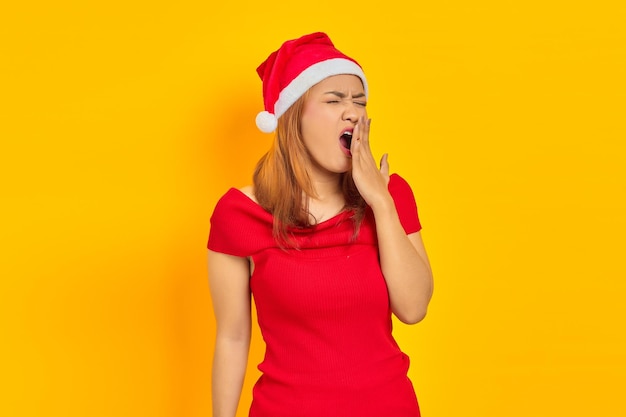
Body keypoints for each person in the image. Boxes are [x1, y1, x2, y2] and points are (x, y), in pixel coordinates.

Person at [207, 32, 433, 417]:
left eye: (359, 101)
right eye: (334, 100)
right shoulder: (239, 213)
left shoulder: (392, 196)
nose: (353, 112)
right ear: (293, 114)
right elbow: (232, 336)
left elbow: (413, 308)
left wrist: (380, 201)